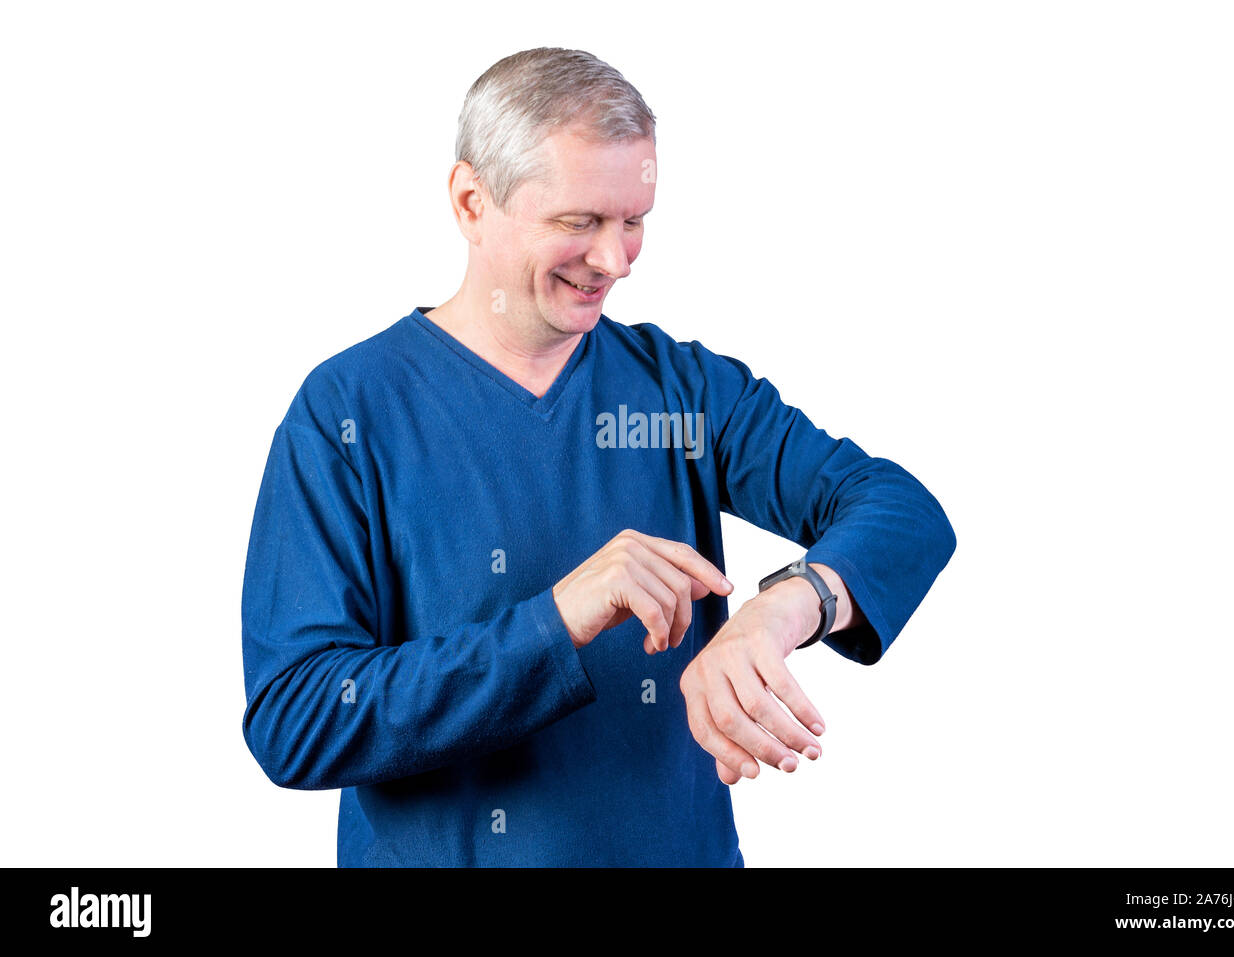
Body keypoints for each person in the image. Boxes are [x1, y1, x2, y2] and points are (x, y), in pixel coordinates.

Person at [240, 47, 956, 867]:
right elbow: (297, 716)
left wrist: (787, 606)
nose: (615, 260)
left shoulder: (684, 390)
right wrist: (557, 621)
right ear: (472, 202)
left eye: (634, 221)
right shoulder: (347, 413)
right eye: (579, 222)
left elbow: (898, 507)